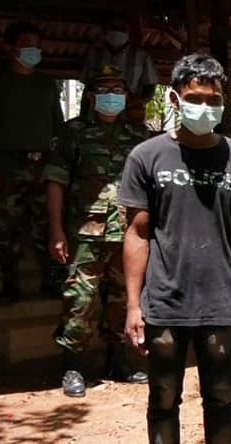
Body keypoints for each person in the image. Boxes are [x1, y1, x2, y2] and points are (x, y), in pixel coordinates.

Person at [119, 54, 231, 444]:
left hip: (221, 303)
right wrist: (133, 304)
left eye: (213, 100)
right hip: (165, 302)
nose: (204, 107)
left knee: (221, 399)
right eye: (195, 98)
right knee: (164, 400)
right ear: (174, 99)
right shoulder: (146, 157)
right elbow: (137, 233)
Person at [45, 67, 150, 397]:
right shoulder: (73, 133)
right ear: (91, 97)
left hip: (128, 234)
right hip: (85, 234)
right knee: (81, 299)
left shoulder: (138, 136)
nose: (112, 97)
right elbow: (56, 182)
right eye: (105, 91)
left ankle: (117, 360)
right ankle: (73, 365)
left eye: (118, 91)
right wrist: (56, 230)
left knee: (121, 298)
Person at [0, 21, 65, 304]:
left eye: (37, 46)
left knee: (46, 224)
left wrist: (58, 164)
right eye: (27, 45)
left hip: (43, 164)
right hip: (7, 165)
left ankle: (50, 281)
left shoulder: (47, 85)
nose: (33, 51)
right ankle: (10, 285)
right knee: (6, 225)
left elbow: (58, 126)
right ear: (9, 48)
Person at [81, 15, 158, 119]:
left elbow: (150, 85)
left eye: (121, 29)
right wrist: (85, 111)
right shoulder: (94, 55)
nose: (117, 32)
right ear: (105, 31)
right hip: (99, 110)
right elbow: (87, 85)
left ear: (128, 31)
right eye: (113, 28)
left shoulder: (141, 56)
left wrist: (137, 102)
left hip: (129, 110)